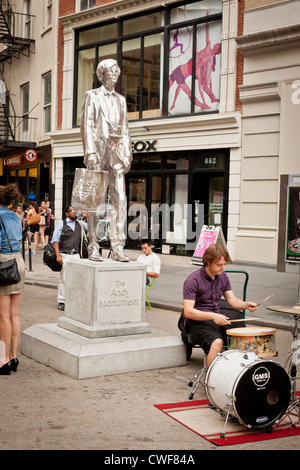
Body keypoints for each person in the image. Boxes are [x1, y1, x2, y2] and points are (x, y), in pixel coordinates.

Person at [81, 58, 132, 262]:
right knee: (95, 202)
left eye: (117, 71)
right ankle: (93, 245)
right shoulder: (91, 96)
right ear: (102, 74)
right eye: (112, 71)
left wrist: (128, 154)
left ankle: (117, 246)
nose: (116, 74)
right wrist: (90, 152)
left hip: (117, 155)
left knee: (120, 200)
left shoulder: (121, 99)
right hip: (98, 154)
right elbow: (87, 125)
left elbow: (126, 129)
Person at [183, 244, 257, 368]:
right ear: (207, 262)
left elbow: (232, 300)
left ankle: (239, 371)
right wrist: (212, 316)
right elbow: (189, 311)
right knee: (217, 342)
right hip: (196, 321)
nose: (223, 268)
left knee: (243, 334)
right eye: (219, 265)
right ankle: (211, 379)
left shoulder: (222, 276)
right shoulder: (192, 280)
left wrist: (246, 305)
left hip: (216, 317)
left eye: (224, 264)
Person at [0, 184, 25, 375]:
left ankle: (2, 360)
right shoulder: (15, 216)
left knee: (3, 316)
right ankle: (13, 356)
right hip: (18, 261)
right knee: (14, 313)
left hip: (3, 263)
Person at [51, 206, 88, 311]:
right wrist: (58, 255)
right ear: (67, 213)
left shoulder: (80, 224)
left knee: (78, 279)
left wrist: (88, 217)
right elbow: (55, 240)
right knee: (64, 279)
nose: (75, 212)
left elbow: (93, 229)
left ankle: (74, 299)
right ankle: (62, 301)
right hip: (65, 255)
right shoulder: (61, 224)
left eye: (76, 211)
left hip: (76, 255)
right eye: (73, 210)